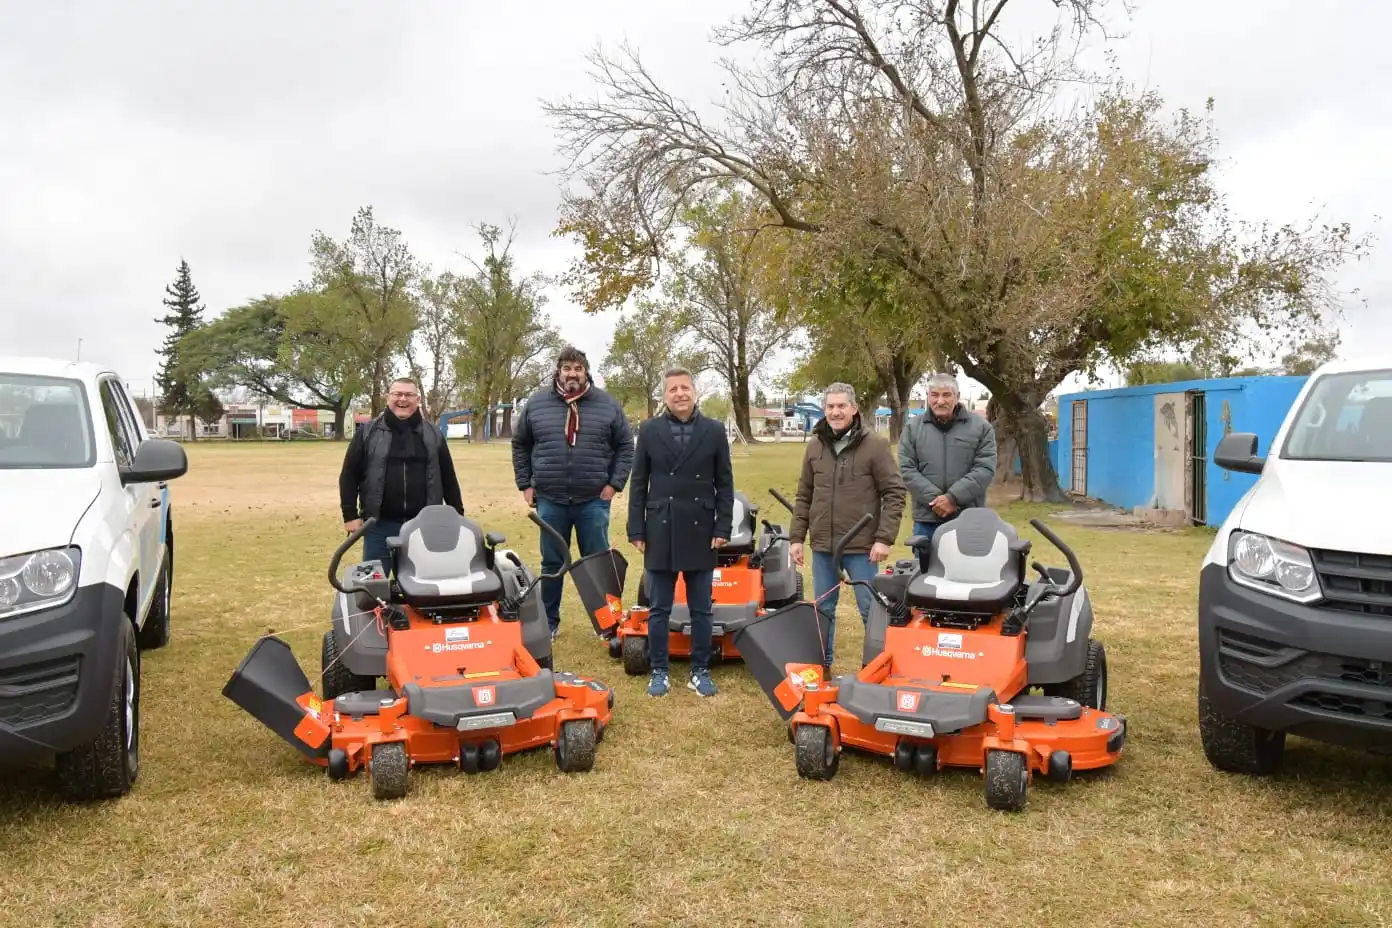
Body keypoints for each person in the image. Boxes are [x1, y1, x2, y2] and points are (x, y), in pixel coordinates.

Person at [511, 345, 634, 639]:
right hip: (551, 499)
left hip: (593, 499)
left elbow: (626, 446)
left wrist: (614, 484)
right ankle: (549, 621)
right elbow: (520, 444)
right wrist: (526, 483)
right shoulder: (537, 403)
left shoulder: (607, 405)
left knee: (598, 563)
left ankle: (607, 624)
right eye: (567, 368)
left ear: (586, 371)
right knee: (552, 563)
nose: (572, 374)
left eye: (578, 368)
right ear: (558, 371)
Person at [626, 367, 733, 698]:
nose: (680, 394)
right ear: (665, 395)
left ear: (695, 392)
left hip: (701, 530)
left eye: (685, 388)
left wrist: (722, 526)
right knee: (659, 607)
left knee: (702, 608)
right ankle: (659, 670)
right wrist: (636, 529)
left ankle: (699, 671)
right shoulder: (648, 430)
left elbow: (725, 485)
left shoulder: (714, 431)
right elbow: (638, 483)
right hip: (660, 528)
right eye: (673, 389)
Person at [788, 383, 905, 674]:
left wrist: (884, 538)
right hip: (825, 547)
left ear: (854, 409)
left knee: (871, 610)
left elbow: (894, 492)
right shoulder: (815, 446)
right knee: (823, 609)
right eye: (830, 407)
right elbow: (804, 494)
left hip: (862, 548)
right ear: (824, 410)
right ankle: (822, 668)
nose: (836, 412)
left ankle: (878, 670)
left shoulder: (875, 446)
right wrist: (796, 538)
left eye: (842, 406)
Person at [339, 377, 465, 564]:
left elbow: (448, 477)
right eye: (397, 394)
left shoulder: (433, 434)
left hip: (424, 525)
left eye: (409, 395)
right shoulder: (367, 433)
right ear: (388, 398)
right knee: (375, 587)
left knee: (423, 585)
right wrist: (350, 515)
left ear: (418, 399)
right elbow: (349, 475)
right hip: (379, 525)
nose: (403, 399)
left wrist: (457, 516)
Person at [898, 372, 998, 567]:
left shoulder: (981, 428)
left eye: (946, 395)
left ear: (957, 396)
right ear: (928, 397)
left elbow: (984, 469)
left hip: (968, 518)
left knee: (969, 576)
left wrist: (953, 498)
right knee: (925, 580)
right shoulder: (912, 428)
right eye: (934, 395)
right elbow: (907, 469)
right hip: (926, 520)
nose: (940, 401)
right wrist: (937, 501)